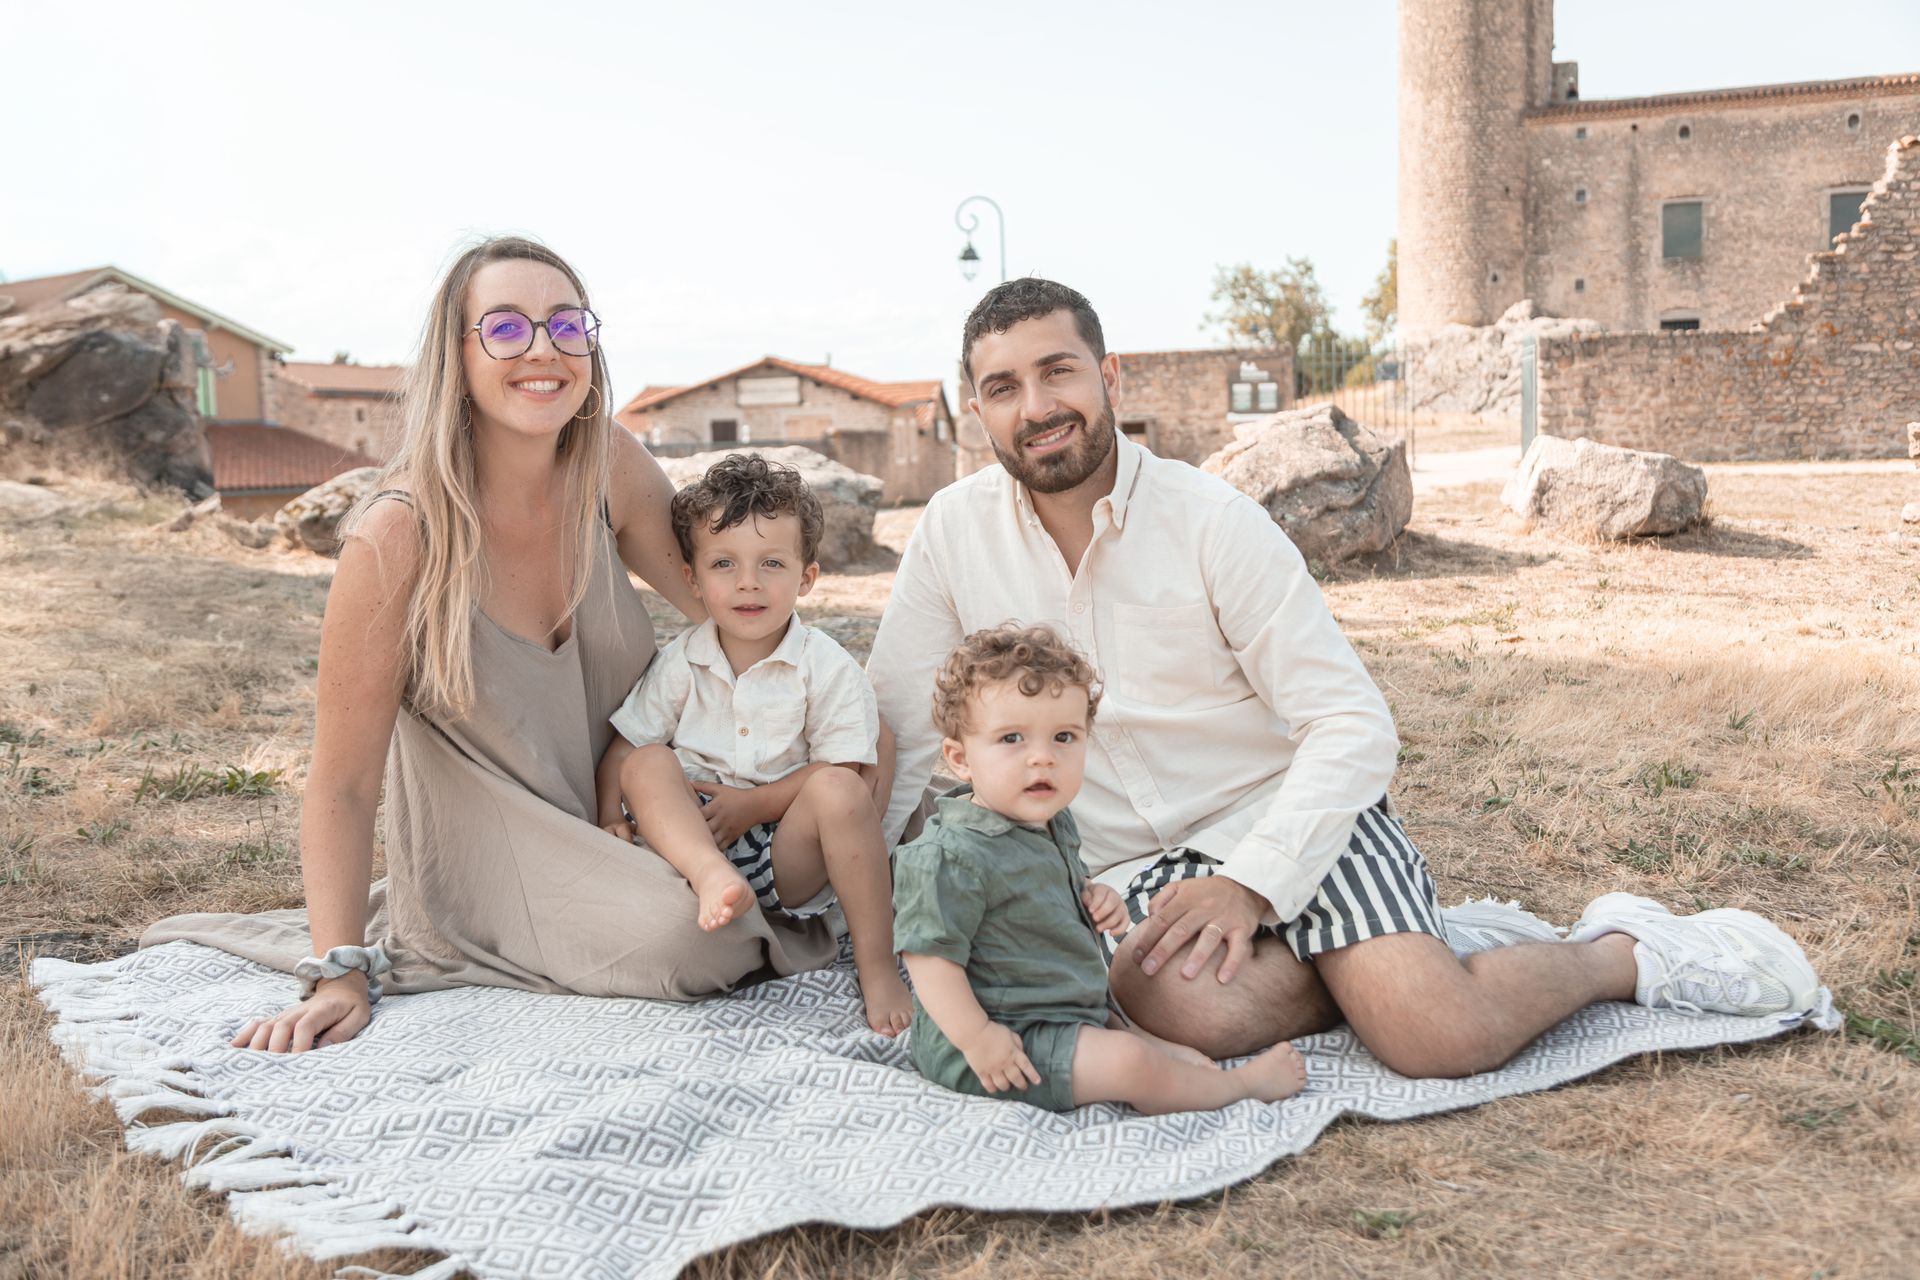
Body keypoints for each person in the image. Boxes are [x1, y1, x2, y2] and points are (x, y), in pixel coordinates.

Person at [866, 277, 1823, 1079]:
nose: (1035, 408)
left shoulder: (1211, 520)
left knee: (1438, 1038)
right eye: (1001, 387)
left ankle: (1617, 950)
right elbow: (900, 727)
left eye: (1056, 371)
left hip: (1284, 814)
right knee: (1179, 1009)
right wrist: (858, 909)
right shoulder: (953, 533)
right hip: (1122, 867)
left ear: (1108, 376)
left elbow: (1351, 725)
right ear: (977, 408)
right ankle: (1394, 954)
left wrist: (1254, 885)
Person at [159, 236, 840, 1055]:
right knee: (686, 939)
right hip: (492, 867)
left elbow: (735, 606)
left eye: (567, 326)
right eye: (508, 330)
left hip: (630, 820)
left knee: (874, 813)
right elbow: (341, 782)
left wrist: (790, 762)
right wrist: (338, 969)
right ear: (458, 353)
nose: (544, 351)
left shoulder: (607, 465)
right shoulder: (396, 537)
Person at [893, 624, 1306, 1113]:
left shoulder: (1049, 822)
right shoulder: (948, 855)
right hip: (999, 1040)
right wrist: (979, 1037)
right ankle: (1239, 1088)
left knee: (1132, 1040)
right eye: (1011, 739)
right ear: (960, 759)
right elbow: (928, 959)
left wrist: (1092, 897)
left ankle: (1147, 1053)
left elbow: (1037, 893)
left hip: (1063, 1010)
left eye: (1064, 736)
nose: (1042, 757)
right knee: (1131, 1062)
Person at [594, 454, 913, 1035]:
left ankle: (875, 961)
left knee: (840, 785)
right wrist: (607, 816)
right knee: (644, 760)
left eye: (771, 563)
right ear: (692, 579)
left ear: (806, 577)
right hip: (692, 837)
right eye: (724, 564)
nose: (748, 582)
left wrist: (754, 806)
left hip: (784, 855)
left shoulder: (825, 665)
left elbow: (845, 769)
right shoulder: (681, 660)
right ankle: (712, 877)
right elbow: (623, 748)